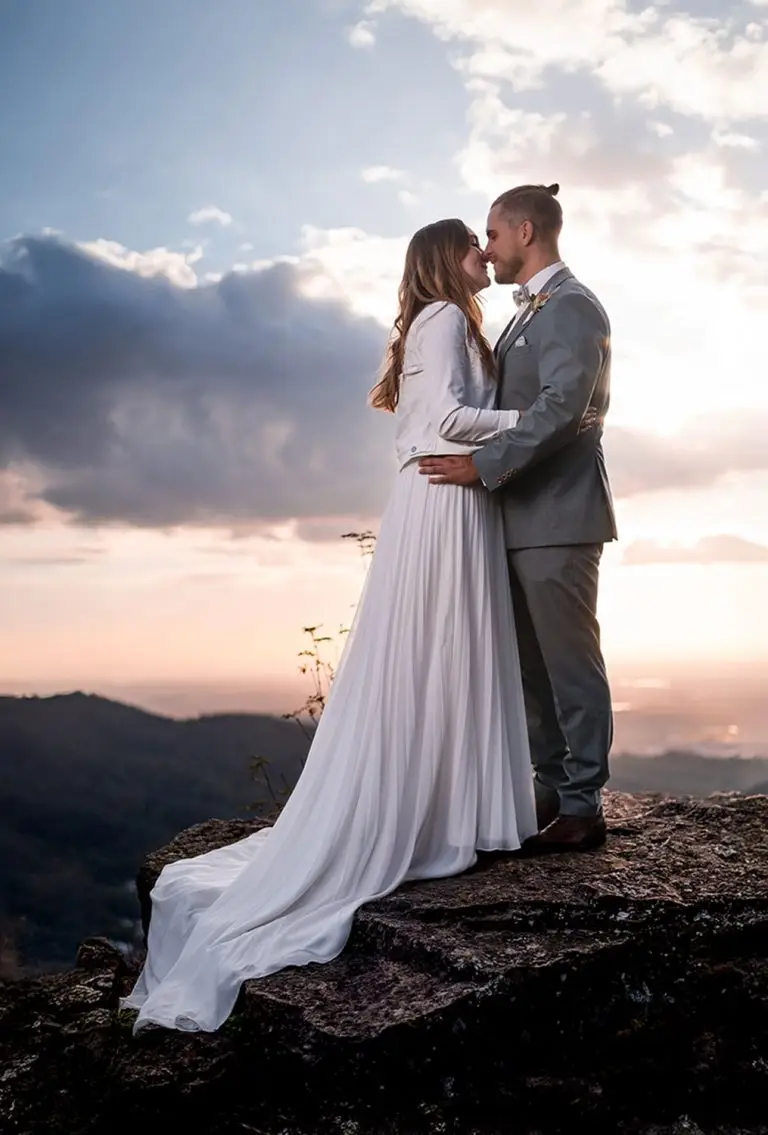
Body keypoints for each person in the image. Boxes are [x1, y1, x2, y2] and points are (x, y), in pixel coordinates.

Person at [121, 218, 537, 1034]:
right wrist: (524, 423)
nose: (485, 255)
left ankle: (447, 805)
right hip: (447, 496)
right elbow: (444, 420)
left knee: (434, 654)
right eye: (474, 245)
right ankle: (452, 814)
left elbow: (422, 421)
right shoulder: (447, 318)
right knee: (445, 650)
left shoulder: (436, 320)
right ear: (446, 259)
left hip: (440, 499)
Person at [420, 184, 617, 853]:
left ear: (525, 231)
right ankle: (551, 787)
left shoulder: (571, 306)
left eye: (494, 235)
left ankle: (585, 803)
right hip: (516, 518)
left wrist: (484, 464)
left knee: (570, 664)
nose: (487, 248)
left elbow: (565, 405)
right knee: (530, 669)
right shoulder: (525, 315)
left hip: (560, 516)